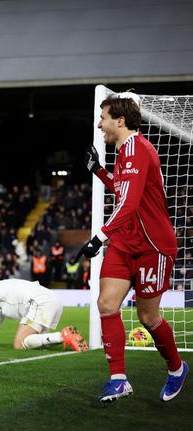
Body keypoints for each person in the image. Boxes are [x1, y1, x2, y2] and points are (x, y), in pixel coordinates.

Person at [79, 92, 187, 402]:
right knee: (106, 304)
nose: (99, 125)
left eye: (103, 118)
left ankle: (177, 368)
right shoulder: (124, 151)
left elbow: (129, 203)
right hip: (126, 242)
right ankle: (118, 380)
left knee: (148, 317)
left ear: (120, 120)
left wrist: (99, 237)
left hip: (153, 245)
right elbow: (123, 190)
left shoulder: (139, 149)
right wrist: (99, 171)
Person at [0, 271, 88, 351]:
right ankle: (68, 337)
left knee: (19, 344)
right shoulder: (1, 292)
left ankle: (63, 336)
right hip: (53, 299)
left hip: (39, 302)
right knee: (40, 343)